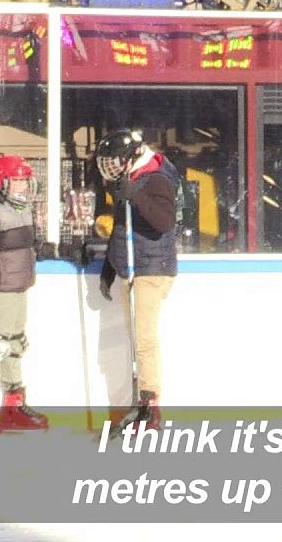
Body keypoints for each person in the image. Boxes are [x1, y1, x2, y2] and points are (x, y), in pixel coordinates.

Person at [95, 129, 179, 433]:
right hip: (131, 267)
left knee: (144, 338)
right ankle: (138, 400)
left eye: (116, 161)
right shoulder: (126, 181)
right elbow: (122, 226)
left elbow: (164, 221)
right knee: (134, 337)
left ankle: (150, 404)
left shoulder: (156, 178)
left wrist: (136, 195)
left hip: (152, 269)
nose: (112, 168)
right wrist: (109, 264)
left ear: (131, 157)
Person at [0, 156, 50, 435]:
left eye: (23, 181)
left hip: (20, 287)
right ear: (1, 182)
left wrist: (57, 250)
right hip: (0, 288)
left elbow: (34, 244)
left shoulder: (23, 209)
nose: (21, 186)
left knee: (16, 344)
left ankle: (13, 404)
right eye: (15, 180)